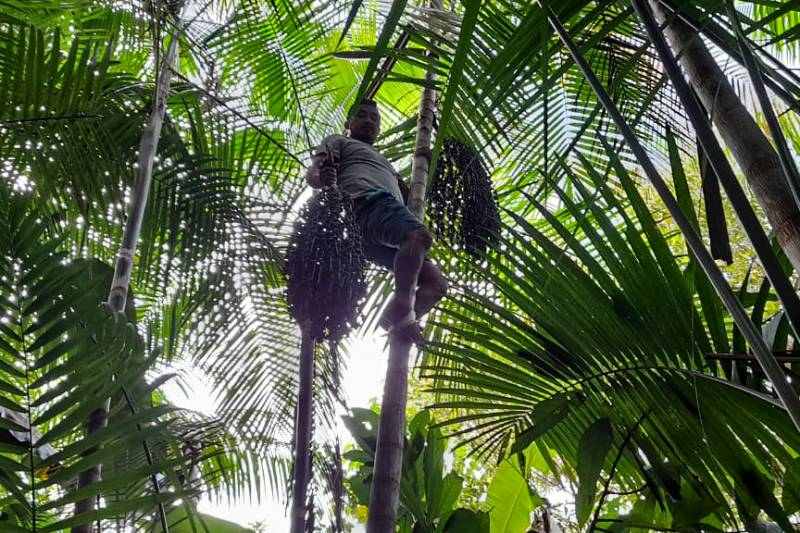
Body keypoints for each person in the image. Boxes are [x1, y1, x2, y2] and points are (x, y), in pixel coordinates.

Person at [305, 99, 447, 342]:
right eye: (362, 116)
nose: (368, 121)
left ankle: (391, 322)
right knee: (418, 236)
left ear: (379, 129)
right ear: (350, 123)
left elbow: (410, 194)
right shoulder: (339, 141)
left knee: (436, 285)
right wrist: (322, 178)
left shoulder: (386, 164)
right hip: (364, 204)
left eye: (374, 119)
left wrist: (430, 159)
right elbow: (314, 172)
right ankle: (404, 308)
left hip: (377, 227)